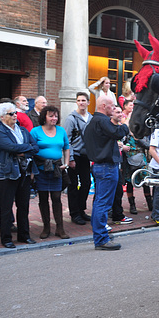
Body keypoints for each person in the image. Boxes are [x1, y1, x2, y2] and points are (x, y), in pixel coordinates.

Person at [84, 95, 130, 250]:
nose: (115, 108)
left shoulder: (94, 121)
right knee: (103, 203)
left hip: (100, 166)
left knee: (101, 202)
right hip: (106, 167)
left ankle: (101, 234)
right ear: (104, 106)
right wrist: (124, 123)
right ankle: (101, 239)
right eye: (112, 105)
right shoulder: (102, 121)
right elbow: (118, 132)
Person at [0, 103, 39, 248]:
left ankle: (24, 235)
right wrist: (25, 148)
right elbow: (9, 147)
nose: (15, 115)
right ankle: (6, 238)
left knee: (24, 205)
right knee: (6, 207)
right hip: (8, 174)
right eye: (11, 114)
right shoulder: (1, 131)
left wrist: (22, 151)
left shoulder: (22, 130)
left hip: (25, 172)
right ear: (2, 117)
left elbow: (35, 147)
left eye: (15, 113)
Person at [30, 105, 71, 240]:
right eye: (51, 116)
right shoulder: (35, 132)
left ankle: (60, 228)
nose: (54, 118)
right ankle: (46, 227)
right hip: (41, 169)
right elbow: (31, 150)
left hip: (57, 170)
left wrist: (65, 163)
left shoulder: (61, 131)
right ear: (44, 117)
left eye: (55, 116)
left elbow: (66, 148)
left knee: (56, 197)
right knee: (43, 199)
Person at [63, 92, 93, 226]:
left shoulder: (91, 118)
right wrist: (70, 158)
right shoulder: (71, 119)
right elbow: (67, 140)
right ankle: (74, 213)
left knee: (86, 183)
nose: (81, 102)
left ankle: (81, 209)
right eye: (79, 100)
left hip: (86, 156)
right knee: (73, 185)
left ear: (88, 102)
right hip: (75, 156)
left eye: (83, 100)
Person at [109, 105, 133, 226]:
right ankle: (107, 216)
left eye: (120, 113)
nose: (120, 114)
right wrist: (120, 146)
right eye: (117, 112)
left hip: (119, 162)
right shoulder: (109, 127)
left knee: (118, 190)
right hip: (108, 164)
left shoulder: (120, 128)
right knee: (105, 192)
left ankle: (117, 215)